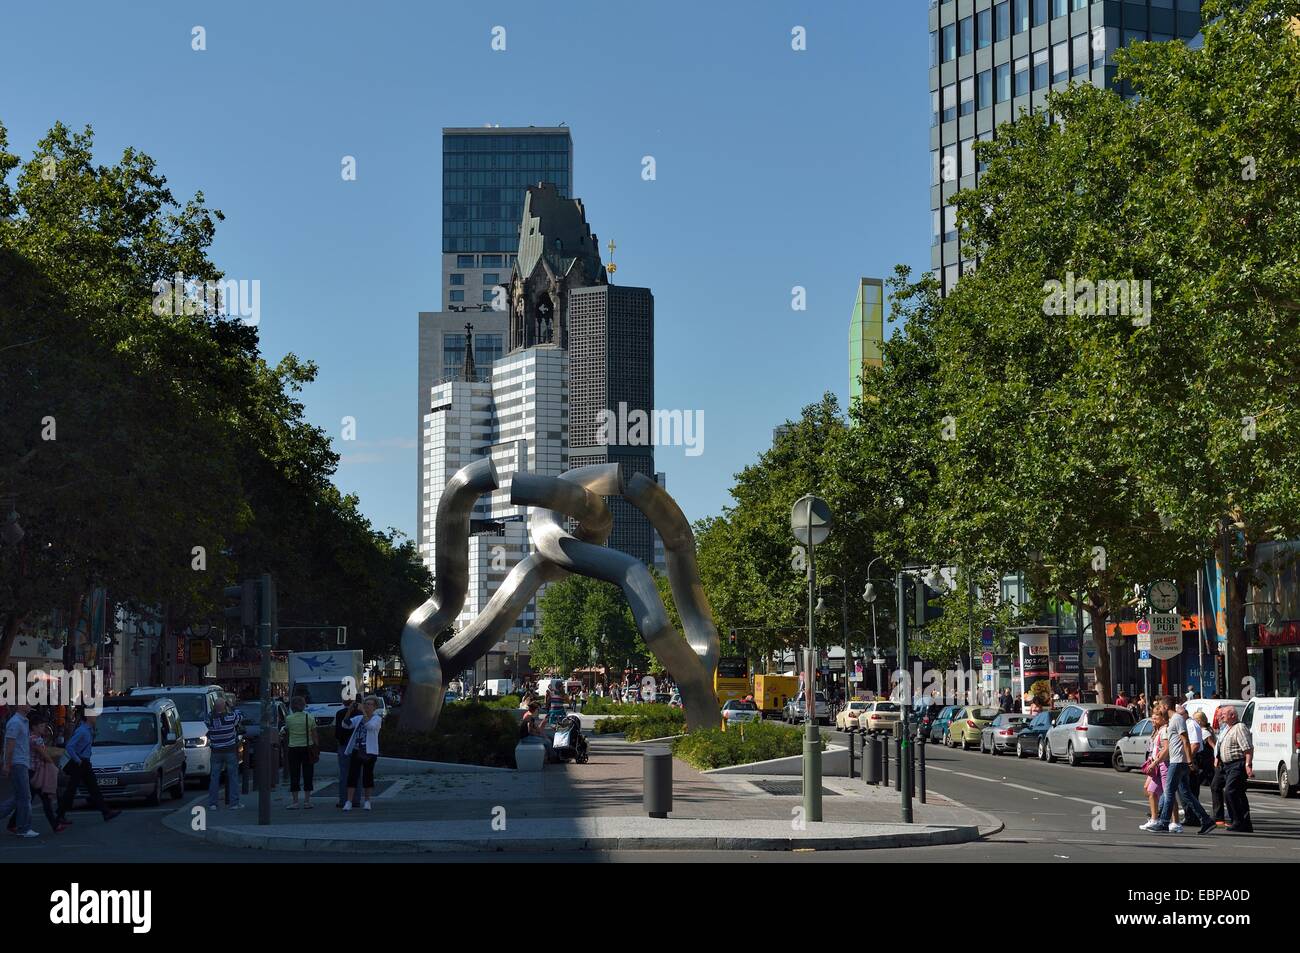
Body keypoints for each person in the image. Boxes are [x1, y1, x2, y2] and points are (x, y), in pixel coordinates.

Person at [1147, 695, 1214, 835]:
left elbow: (1186, 740)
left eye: (1160, 706)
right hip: (1179, 761)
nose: (1160, 709)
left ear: (1166, 707)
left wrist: (1189, 761)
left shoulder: (1177, 719)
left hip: (1178, 761)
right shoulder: (1173, 720)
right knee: (1186, 794)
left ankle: (1164, 823)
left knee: (1169, 792)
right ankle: (1206, 820)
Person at [54, 709, 121, 826]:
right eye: (94, 715)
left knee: (92, 787)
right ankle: (60, 814)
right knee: (73, 789)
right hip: (79, 763)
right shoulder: (82, 731)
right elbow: (69, 746)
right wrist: (78, 760)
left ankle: (106, 812)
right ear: (88, 717)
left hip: (84, 763)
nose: (96, 717)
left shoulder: (89, 730)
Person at [5, 710, 64, 834]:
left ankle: (13, 823)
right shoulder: (35, 739)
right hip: (34, 772)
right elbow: (44, 754)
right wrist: (53, 766)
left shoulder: (31, 737)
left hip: (31, 771)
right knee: (32, 799)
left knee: (27, 799)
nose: (44, 728)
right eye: (41, 726)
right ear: (34, 727)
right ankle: (52, 825)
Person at [0, 704, 37, 837]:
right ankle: (24, 828)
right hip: (17, 763)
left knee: (19, 797)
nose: (30, 705)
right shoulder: (15, 722)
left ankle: (23, 827)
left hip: (21, 762)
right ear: (21, 706)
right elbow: (10, 745)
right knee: (25, 796)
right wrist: (7, 764)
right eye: (27, 703)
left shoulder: (22, 721)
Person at [1216, 706, 1254, 833]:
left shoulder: (1239, 727)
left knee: (1230, 791)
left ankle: (1238, 821)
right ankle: (1244, 823)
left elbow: (1248, 748)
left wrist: (1248, 765)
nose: (1222, 716)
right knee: (1238, 793)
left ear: (1233, 715)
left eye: (1225, 714)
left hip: (1237, 764)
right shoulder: (1228, 728)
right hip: (1227, 766)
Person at [342, 696, 382, 812]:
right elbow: (345, 725)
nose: (366, 706)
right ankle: (348, 801)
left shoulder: (377, 719)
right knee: (352, 775)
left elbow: (370, 727)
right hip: (356, 749)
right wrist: (349, 710)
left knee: (367, 776)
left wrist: (363, 712)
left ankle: (367, 801)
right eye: (365, 704)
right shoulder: (359, 718)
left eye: (369, 704)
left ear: (375, 707)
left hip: (369, 751)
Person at [205, 696, 243, 811]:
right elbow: (240, 716)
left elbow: (208, 719)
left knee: (214, 777)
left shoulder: (209, 719)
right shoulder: (230, 717)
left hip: (216, 751)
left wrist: (215, 709)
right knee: (233, 777)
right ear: (224, 706)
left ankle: (213, 803)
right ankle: (234, 803)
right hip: (230, 750)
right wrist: (231, 706)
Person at [284, 696, 316, 810]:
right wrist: (316, 748)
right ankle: (307, 801)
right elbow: (314, 735)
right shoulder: (310, 718)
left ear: (292, 706)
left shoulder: (289, 719)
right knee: (308, 774)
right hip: (307, 748)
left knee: (294, 774)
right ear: (303, 706)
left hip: (293, 748)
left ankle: (295, 801)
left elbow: (287, 732)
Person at [1140, 710, 1169, 829]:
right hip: (1156, 764)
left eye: (1156, 718)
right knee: (1151, 791)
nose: (1153, 721)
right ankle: (1155, 818)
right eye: (1152, 719)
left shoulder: (1165, 730)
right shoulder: (1157, 731)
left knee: (1168, 794)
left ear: (1163, 719)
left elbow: (1166, 748)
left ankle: (1173, 822)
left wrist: (1156, 761)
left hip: (1164, 764)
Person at [335, 698, 361, 809]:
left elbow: (338, 732)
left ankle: (343, 800)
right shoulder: (360, 713)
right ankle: (356, 799)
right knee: (357, 773)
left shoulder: (340, 713)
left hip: (344, 745)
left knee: (344, 773)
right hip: (357, 745)